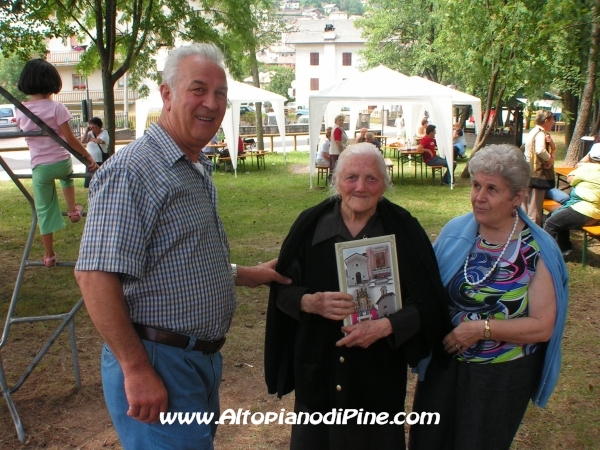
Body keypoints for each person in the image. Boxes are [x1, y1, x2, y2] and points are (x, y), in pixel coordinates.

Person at [74, 43, 291, 450]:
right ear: (167, 95)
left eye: (221, 93)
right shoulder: (132, 171)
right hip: (157, 360)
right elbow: (93, 276)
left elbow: (181, 263)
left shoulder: (193, 166)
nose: (211, 103)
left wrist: (251, 275)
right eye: (198, 89)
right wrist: (136, 369)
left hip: (198, 363)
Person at [265, 143, 452, 450]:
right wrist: (310, 302)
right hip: (319, 369)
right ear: (337, 180)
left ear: (385, 184)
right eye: (352, 177)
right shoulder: (311, 226)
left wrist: (387, 326)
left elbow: (429, 305)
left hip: (378, 374)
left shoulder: (404, 229)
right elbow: (282, 289)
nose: (361, 187)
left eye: (371, 179)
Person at [409, 145, 568, 450]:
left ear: (517, 198)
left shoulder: (537, 249)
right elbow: (425, 290)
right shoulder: (456, 231)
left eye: (492, 189)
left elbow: (542, 326)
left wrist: (481, 329)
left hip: (502, 374)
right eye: (476, 185)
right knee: (427, 442)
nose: (479, 197)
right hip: (445, 364)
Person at [15, 58, 98, 267]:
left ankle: (49, 255)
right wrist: (88, 156)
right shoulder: (57, 107)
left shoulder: (21, 110)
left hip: (39, 168)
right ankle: (72, 210)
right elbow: (69, 139)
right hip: (61, 162)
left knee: (43, 210)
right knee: (66, 177)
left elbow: (22, 129)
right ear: (53, 82)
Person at [544, 163, 600, 257]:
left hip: (583, 210)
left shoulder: (587, 169)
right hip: (595, 214)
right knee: (560, 218)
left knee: (550, 223)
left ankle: (546, 256)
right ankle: (564, 249)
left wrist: (577, 170)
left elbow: (569, 179)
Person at [522, 110, 557, 226]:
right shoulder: (540, 133)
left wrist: (552, 144)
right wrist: (550, 160)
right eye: (552, 121)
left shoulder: (533, 131)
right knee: (534, 210)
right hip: (537, 174)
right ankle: (533, 235)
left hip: (528, 173)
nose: (553, 123)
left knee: (525, 207)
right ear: (546, 120)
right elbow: (540, 150)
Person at [81, 116, 109, 188]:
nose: (93, 128)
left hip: (100, 159)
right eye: (91, 126)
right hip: (90, 159)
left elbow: (101, 141)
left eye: (95, 126)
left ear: (99, 126)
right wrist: (86, 131)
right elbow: (83, 141)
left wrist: (92, 139)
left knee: (100, 178)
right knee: (90, 179)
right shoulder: (89, 133)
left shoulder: (104, 133)